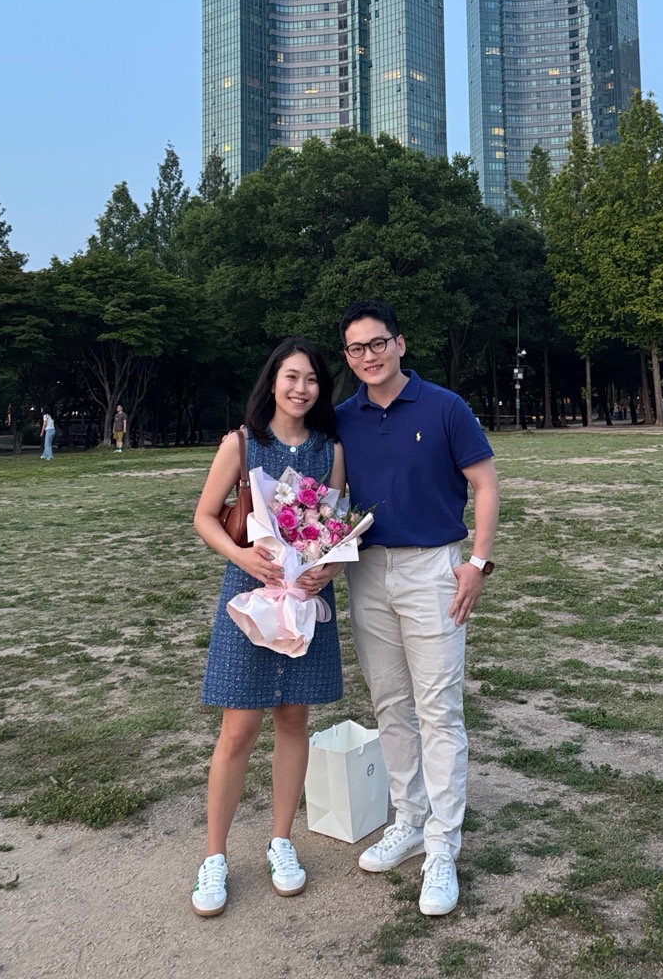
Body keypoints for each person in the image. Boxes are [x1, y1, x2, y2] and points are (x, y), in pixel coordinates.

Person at [336, 299, 499, 919]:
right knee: (390, 703)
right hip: (367, 570)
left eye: (378, 344)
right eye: (356, 349)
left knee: (438, 707)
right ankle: (407, 819)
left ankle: (442, 847)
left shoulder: (444, 407)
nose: (369, 357)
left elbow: (484, 482)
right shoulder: (345, 417)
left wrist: (477, 562)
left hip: (434, 566)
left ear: (400, 344)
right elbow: (330, 494)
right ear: (347, 357)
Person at [190, 338, 345, 919]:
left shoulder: (330, 449)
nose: (301, 389)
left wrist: (326, 568)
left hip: (305, 601)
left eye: (312, 380)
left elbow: (334, 528)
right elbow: (204, 516)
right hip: (249, 599)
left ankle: (282, 840)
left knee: (294, 717)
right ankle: (215, 855)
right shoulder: (242, 442)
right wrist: (242, 557)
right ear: (272, 382)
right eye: (291, 377)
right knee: (238, 727)